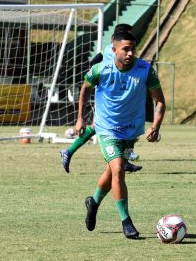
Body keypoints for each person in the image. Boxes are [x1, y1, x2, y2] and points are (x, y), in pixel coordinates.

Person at [77, 30, 165, 239]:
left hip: (130, 131)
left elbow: (160, 101)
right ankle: (127, 222)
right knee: (118, 169)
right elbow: (85, 88)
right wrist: (80, 118)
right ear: (114, 49)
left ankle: (93, 202)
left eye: (133, 49)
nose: (130, 53)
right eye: (125, 49)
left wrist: (156, 125)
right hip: (106, 128)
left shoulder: (145, 70)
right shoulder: (101, 69)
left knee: (111, 172)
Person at [60, 24, 142, 173]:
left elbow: (93, 62)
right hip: (109, 97)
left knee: (101, 126)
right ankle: (70, 151)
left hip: (115, 95)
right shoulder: (115, 51)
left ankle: (123, 160)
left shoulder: (108, 49)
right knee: (104, 125)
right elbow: (95, 66)